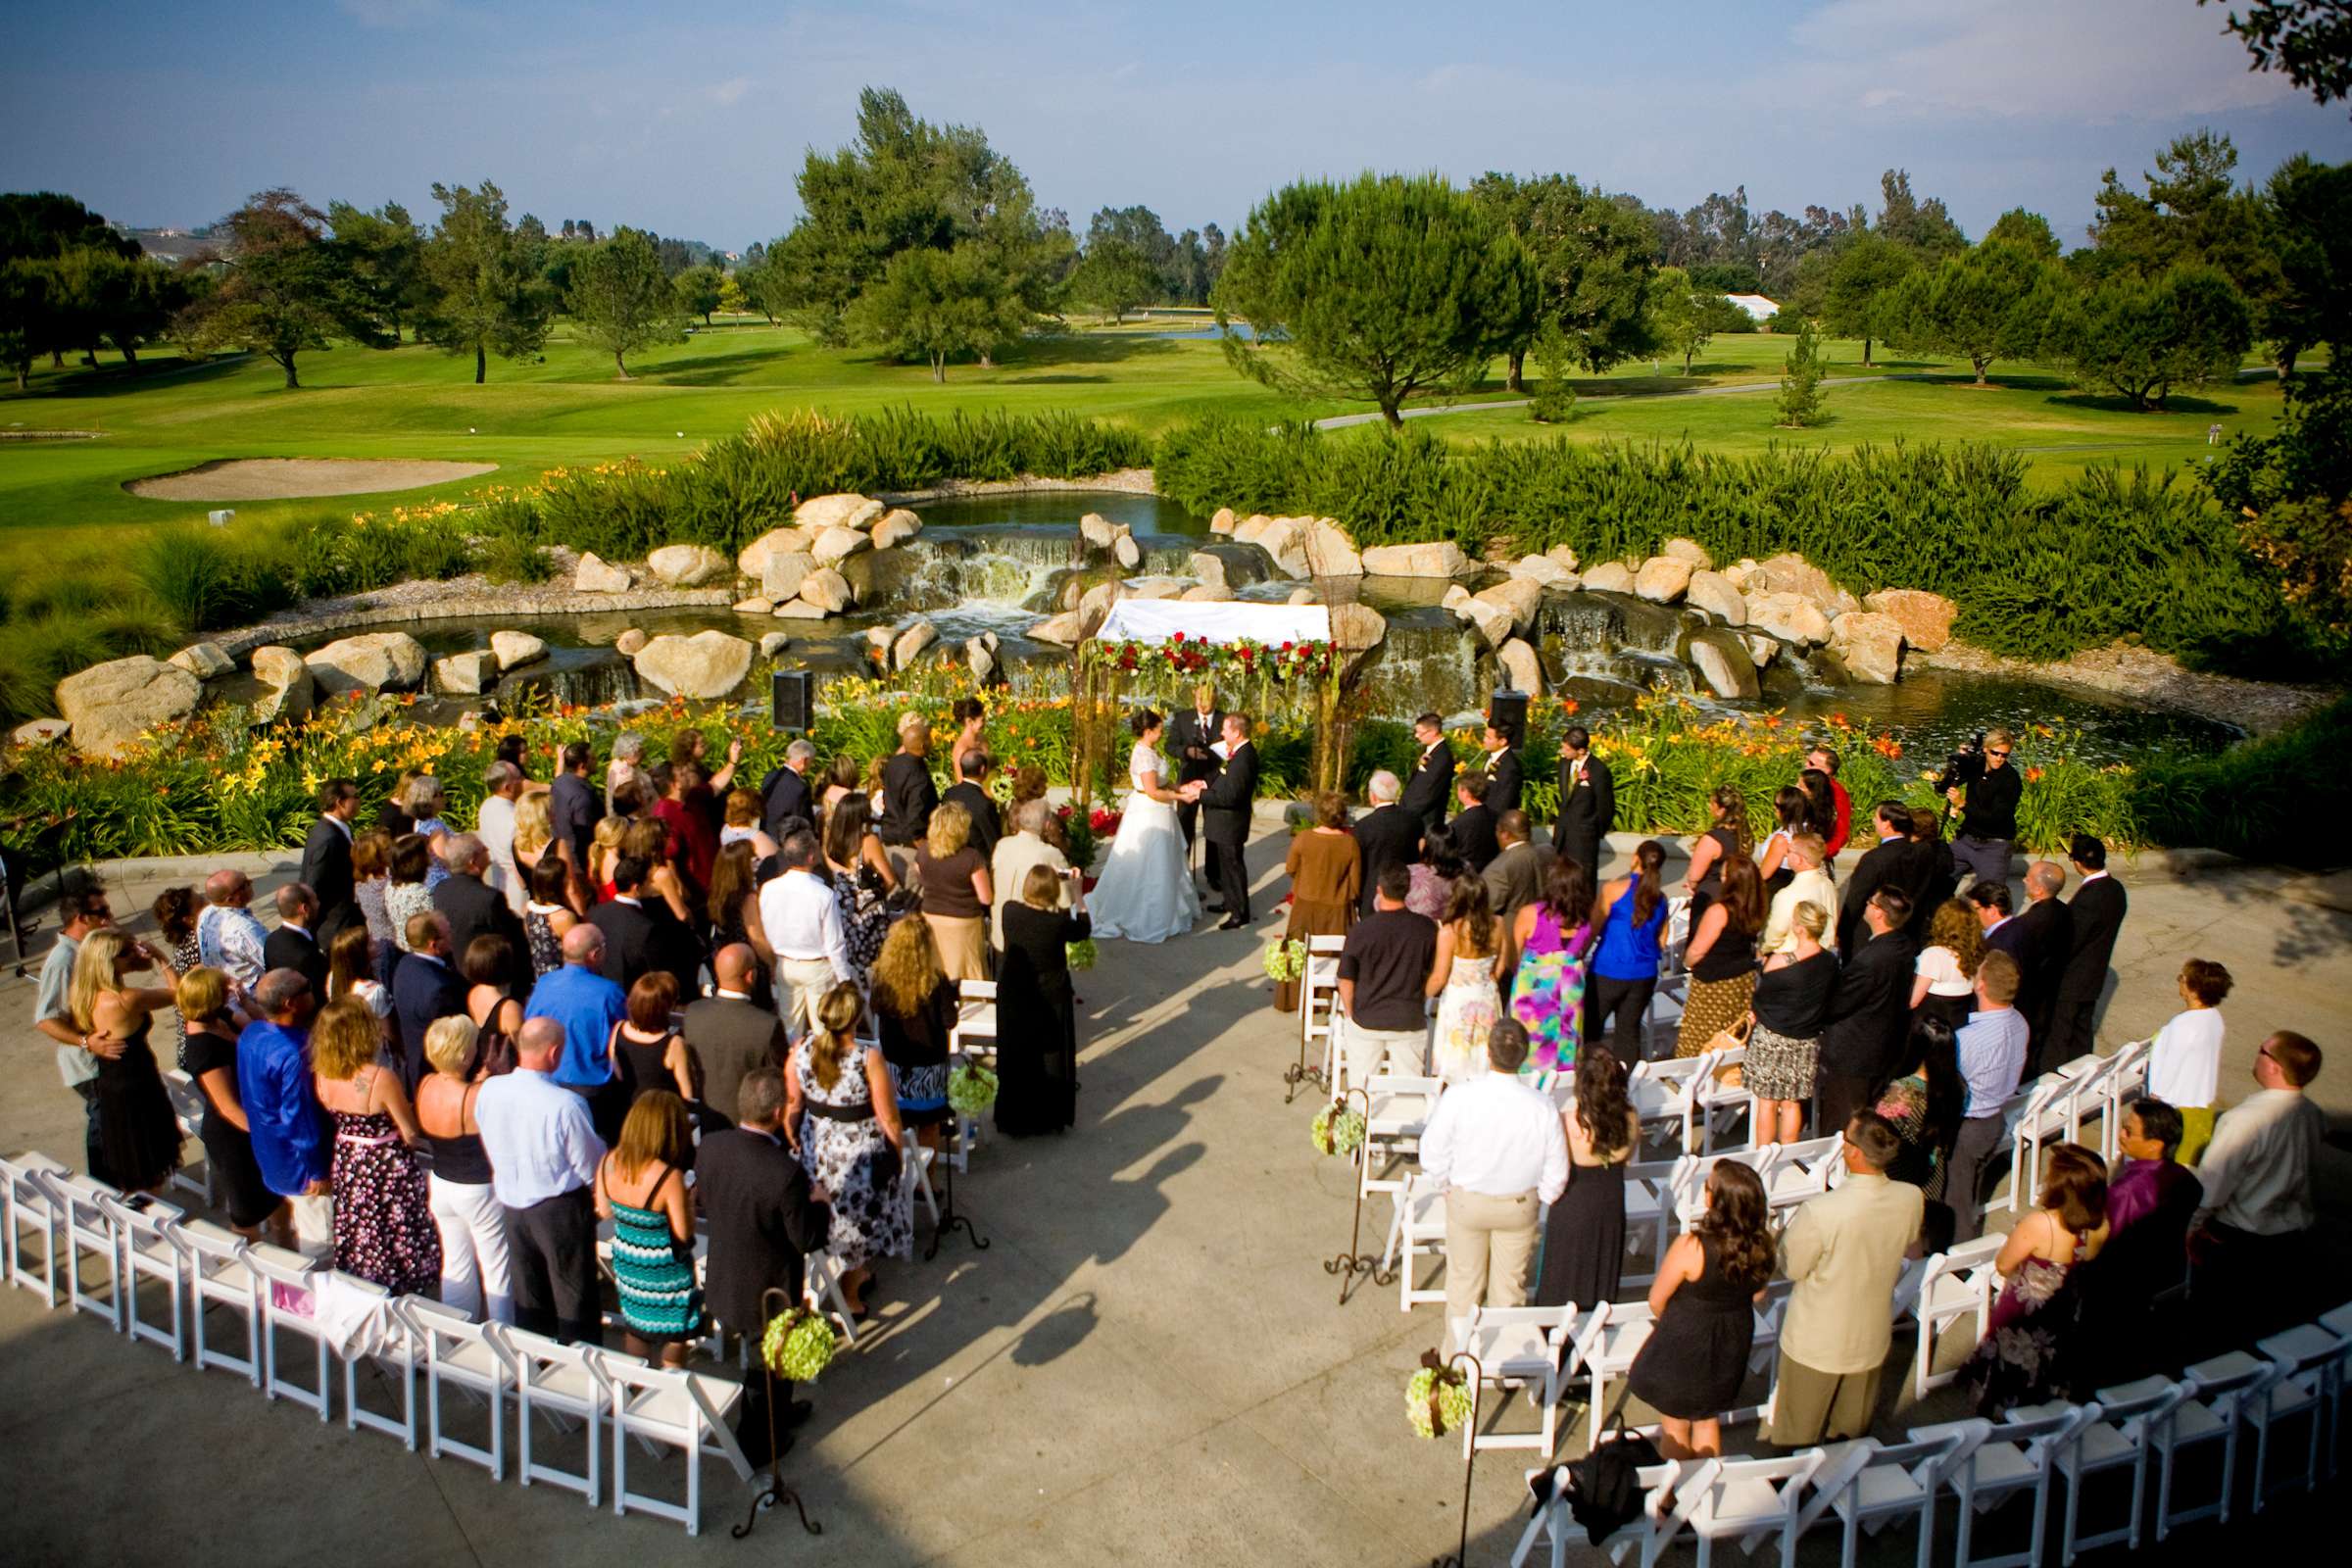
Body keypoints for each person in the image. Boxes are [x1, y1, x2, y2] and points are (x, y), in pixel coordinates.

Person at [695, 1066, 832, 1458]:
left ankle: (781, 1413)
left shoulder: (711, 1147)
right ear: (777, 1114)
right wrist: (819, 1205)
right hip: (766, 1291)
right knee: (766, 1368)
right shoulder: (783, 1173)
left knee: (769, 1366)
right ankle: (761, 1443)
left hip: (724, 1278)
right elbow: (806, 1238)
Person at [1767, 1111, 1924, 1446]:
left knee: (1796, 1441)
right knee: (1849, 1444)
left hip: (1816, 1341)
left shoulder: (1822, 1210)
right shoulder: (1911, 1198)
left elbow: (1792, 1268)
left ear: (1854, 1152)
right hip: (1870, 1337)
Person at [1419, 1018, 1568, 1335]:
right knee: (1510, 1292)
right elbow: (1557, 1170)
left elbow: (1432, 1150)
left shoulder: (1460, 1097)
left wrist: (1444, 1184)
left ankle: (1456, 1364)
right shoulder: (1542, 1106)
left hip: (1468, 1201)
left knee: (1463, 1287)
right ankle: (1505, 1368)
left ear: (1488, 1053)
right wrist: (1539, 1198)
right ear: (1524, 1056)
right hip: (1518, 1204)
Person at [1626, 1161, 1777, 1459]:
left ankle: (1672, 1494)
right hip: (1731, 1338)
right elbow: (1758, 1294)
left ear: (1715, 1200)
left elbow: (1657, 1299)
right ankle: (1705, 1488)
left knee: (1675, 1425)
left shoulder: (1692, 1246)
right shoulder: (1763, 1246)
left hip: (1687, 1338)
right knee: (1708, 1420)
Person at [476, 1016, 606, 1345]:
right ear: (554, 1053)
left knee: (529, 1295)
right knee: (573, 1295)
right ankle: (581, 1373)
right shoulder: (566, 1104)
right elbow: (589, 1164)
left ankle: (535, 1368)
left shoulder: (490, 1090)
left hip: (513, 1205)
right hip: (559, 1209)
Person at [785, 985, 910, 1315]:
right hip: (857, 1155)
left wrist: (793, 1137)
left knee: (830, 1215)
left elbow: (793, 1103)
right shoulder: (867, 1059)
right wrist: (898, 1157)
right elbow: (889, 1118)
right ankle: (851, 1297)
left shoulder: (800, 1048)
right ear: (855, 1019)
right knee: (857, 1222)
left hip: (815, 1148)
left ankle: (851, 1277)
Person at [2189, 1031, 2325, 1330]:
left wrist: (2193, 1227)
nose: (2257, 1054)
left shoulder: (2244, 1120)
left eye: (2262, 1050)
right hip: (2290, 1235)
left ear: (2275, 1066)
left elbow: (2212, 1185)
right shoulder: (2311, 1114)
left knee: (2222, 1323)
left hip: (2240, 1239)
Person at [1963, 1143, 2107, 1415]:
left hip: (2025, 1314)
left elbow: (2004, 1264)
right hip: (2062, 1311)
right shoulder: (2098, 1224)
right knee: (2045, 1369)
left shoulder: (2041, 1223)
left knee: (2010, 1372)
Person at [312, 994, 440, 1297]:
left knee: (362, 1226)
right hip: (385, 1161)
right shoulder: (380, 1078)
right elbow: (409, 1131)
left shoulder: (322, 1075)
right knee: (396, 1227)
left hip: (349, 1158)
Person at [2080, 1098, 2201, 1383]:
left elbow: (2104, 1240)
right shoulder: (2182, 1175)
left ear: (2154, 1144)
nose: (2121, 1135)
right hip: (2168, 1269)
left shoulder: (2129, 1191)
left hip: (2124, 1284)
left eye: (2128, 1131)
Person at [68, 929, 183, 1194]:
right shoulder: (127, 999)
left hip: (110, 1084)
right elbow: (179, 994)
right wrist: (159, 956)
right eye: (125, 953)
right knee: (149, 1161)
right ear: (108, 961)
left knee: (127, 1158)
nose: (132, 956)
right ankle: (152, 1216)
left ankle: (133, 1216)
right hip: (138, 1085)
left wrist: (87, 1041)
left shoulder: (83, 995)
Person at [415, 1013, 513, 1323]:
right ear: (466, 1053)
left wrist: (484, 1078)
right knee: (497, 1269)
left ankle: (457, 1334)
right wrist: (497, 1077)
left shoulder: (426, 1085)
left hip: (442, 1182)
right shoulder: (477, 1095)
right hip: (479, 1188)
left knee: (456, 1265)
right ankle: (504, 1347)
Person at [596, 1090, 706, 1366]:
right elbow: (683, 1235)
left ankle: (637, 1384)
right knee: (675, 1334)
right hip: (666, 1273)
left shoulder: (608, 1161)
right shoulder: (668, 1177)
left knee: (637, 1327)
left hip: (630, 1265)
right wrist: (689, 1203)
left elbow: (605, 1210)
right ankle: (670, 1383)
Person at [1090, 709, 1205, 944]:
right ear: (1147, 731)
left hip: (1160, 811)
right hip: (1150, 812)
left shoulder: (1150, 749)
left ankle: (1169, 908)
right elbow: (1152, 791)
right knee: (1153, 862)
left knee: (1166, 860)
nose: (1162, 733)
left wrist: (1179, 787)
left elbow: (1162, 780)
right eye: (1159, 730)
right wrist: (1181, 798)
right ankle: (1150, 914)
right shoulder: (1143, 755)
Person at [1536, 1047, 1639, 1309]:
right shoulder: (1630, 1118)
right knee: (1601, 1267)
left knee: (1564, 1272)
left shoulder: (1567, 1122)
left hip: (1574, 1204)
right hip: (1611, 1202)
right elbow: (1628, 1157)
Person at [237, 969, 331, 1254]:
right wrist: (317, 1169)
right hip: (300, 1164)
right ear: (291, 1003)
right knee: (321, 1242)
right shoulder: (296, 1052)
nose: (312, 989)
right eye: (307, 986)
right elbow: (299, 1117)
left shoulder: (252, 1033)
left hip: (270, 1154)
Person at [176, 967, 275, 1237]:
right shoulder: (204, 1049)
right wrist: (269, 1137)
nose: (228, 989)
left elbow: (262, 1026)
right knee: (247, 1213)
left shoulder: (220, 1017)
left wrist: (243, 1000)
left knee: (277, 1200)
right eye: (224, 988)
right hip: (233, 1135)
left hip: (253, 1116)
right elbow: (228, 1107)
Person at [1942, 950, 2031, 1244]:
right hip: (1995, 1118)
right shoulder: (2019, 1022)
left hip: (1970, 1125)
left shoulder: (1968, 1040)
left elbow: (1949, 1084)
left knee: (1957, 1199)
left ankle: (1959, 1260)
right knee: (1973, 1187)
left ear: (1981, 985)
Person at [1815, 888, 1918, 1138]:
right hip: (1883, 1045)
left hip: (1854, 1051)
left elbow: (1838, 1002)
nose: (1866, 904)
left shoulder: (1870, 961)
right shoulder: (1904, 946)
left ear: (1880, 913)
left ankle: (1834, 1171)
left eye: (1871, 902)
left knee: (1843, 1120)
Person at [999, 864, 1092, 1137]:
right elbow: (1083, 928)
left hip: (1015, 994)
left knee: (1018, 1054)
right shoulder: (1058, 924)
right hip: (1049, 993)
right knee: (1050, 1054)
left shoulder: (1009, 911)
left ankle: (1015, 1116)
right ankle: (1049, 1114)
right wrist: (1077, 893)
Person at [32, 886, 116, 1182]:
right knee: (103, 1129)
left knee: (112, 1128)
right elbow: (46, 1019)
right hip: (88, 1063)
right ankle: (105, 1196)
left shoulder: (87, 951)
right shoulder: (63, 960)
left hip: (105, 1055)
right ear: (81, 918)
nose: (109, 918)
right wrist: (86, 1041)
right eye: (102, 913)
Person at [523, 924, 629, 1139]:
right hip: (592, 1091)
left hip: (548, 1080)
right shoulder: (609, 992)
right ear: (595, 954)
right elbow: (625, 1035)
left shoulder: (544, 983)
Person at [1338, 863, 1439, 1086]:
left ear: (1379, 890)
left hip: (1367, 1018)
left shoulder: (1361, 930)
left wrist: (1350, 1013)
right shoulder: (1426, 928)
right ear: (1408, 890)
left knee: (1360, 1088)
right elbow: (1436, 973)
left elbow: (1346, 978)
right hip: (1409, 1018)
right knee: (1410, 1088)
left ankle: (1359, 1119)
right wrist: (1421, 999)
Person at [1749, 901, 1838, 1144]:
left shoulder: (1780, 962)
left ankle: (1763, 1157)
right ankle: (1788, 1156)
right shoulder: (1830, 962)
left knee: (1767, 1103)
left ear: (1799, 928)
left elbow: (1761, 995)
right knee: (1792, 1102)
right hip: (1806, 1039)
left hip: (1772, 1037)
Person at [871, 917, 957, 1148]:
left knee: (897, 1122)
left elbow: (874, 1009)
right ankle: (926, 1182)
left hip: (894, 1064)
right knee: (929, 1127)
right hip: (929, 1066)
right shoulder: (937, 981)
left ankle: (903, 1175)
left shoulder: (882, 979)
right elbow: (950, 1021)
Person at [1585, 840, 1669, 1068]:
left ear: (1635, 859)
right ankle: (1626, 1084)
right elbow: (1662, 940)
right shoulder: (1661, 899)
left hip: (1608, 969)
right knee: (1628, 1032)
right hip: (1644, 974)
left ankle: (1590, 1078)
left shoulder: (1612, 890)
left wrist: (1579, 954)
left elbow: (1593, 927)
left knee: (1592, 1029)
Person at [1508, 855, 1595, 1074]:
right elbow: (1581, 950)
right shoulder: (1585, 918)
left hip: (1535, 990)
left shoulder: (1531, 914)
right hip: (1570, 988)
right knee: (1568, 1039)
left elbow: (1513, 957)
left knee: (1531, 1043)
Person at [760, 829, 853, 1033]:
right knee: (824, 1029)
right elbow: (834, 943)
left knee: (789, 1028)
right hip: (816, 967)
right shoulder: (824, 895)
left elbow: (767, 928)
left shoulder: (769, 888)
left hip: (784, 963)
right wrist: (844, 978)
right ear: (811, 856)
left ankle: (792, 1062)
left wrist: (771, 963)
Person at [683, 943, 786, 1123]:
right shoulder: (767, 1025)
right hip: (752, 1123)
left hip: (708, 1120)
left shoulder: (693, 1013)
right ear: (751, 975)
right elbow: (777, 1077)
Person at [1277, 792, 1361, 1011]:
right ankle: (1329, 998)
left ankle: (1294, 999)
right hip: (1337, 909)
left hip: (1306, 904)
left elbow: (1290, 868)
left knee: (1298, 952)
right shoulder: (1350, 843)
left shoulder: (1304, 838)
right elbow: (1355, 883)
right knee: (1333, 954)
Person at [2048, 835, 2127, 1062]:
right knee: (2082, 1033)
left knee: (2060, 1035)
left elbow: (2070, 941)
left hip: (2072, 980)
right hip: (2095, 975)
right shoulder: (2116, 889)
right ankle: (2083, 1071)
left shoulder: (2088, 899)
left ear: (2078, 863)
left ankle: (2056, 1080)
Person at [1676, 854, 1762, 1059]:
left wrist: (1687, 963)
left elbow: (1698, 950)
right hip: (1742, 978)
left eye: (1723, 876)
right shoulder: (1754, 906)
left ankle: (1695, 1075)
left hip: (1714, 983)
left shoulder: (1720, 910)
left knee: (1702, 1036)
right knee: (1731, 1031)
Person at [2147, 958, 2231, 1163]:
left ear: (2194, 990)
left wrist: (2154, 1098)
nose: (2179, 982)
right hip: (2201, 1103)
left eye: (2182, 978)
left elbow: (2172, 1065)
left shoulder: (2184, 1024)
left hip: (2176, 1105)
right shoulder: (2214, 1017)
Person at [1877, 1016, 1965, 1207]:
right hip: (1935, 1176)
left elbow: (1878, 1137)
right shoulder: (1958, 1086)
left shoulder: (1902, 1092)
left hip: (1900, 1178)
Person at [1427, 875, 1505, 1086]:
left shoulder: (1450, 931)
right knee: (1484, 1053)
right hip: (1487, 995)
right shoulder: (1498, 924)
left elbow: (1439, 976)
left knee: (1456, 1056)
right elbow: (1500, 965)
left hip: (1458, 999)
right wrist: (1485, 983)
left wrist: (1421, 995)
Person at [433, 832, 529, 997]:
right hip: (490, 973)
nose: (487, 850)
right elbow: (512, 937)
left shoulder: (441, 889)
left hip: (459, 971)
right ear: (473, 862)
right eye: (483, 849)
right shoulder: (489, 898)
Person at [915, 801, 994, 982]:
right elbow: (986, 898)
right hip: (964, 924)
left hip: (931, 919)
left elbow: (920, 876)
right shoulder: (971, 858)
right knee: (969, 976)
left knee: (937, 973)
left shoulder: (924, 852)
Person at [1836, 804, 1928, 957]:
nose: (1873, 821)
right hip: (1907, 929)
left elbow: (1855, 899)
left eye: (1876, 818)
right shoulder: (1922, 853)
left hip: (1869, 934)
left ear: (1887, 824)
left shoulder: (1874, 858)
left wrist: (1841, 933)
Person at [1199, 711, 1261, 929]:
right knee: (1225, 867)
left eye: (1225, 729)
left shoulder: (1244, 758)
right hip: (1223, 824)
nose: (1222, 733)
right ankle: (1230, 901)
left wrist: (1200, 795)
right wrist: (1207, 785)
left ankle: (1240, 912)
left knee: (1233, 866)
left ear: (1236, 731)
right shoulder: (1237, 753)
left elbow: (1231, 796)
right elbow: (1225, 781)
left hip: (1231, 824)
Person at [392, 910, 467, 1089]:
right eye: (448, 933)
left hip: (413, 1064)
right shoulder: (439, 990)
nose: (452, 936)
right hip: (434, 1075)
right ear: (434, 945)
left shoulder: (405, 964)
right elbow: (452, 1038)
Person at [2011, 861, 2075, 1070]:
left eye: (2027, 878)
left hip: (2030, 993)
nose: (2023, 880)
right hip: (2050, 987)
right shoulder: (2064, 911)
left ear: (2039, 889)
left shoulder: (2030, 923)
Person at [1946, 728, 2022, 892]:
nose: (1999, 758)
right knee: (1940, 880)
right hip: (1966, 838)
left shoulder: (2010, 780)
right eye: (1995, 753)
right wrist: (1959, 762)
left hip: (1994, 845)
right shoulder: (1976, 765)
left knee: (1991, 897)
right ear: (1986, 749)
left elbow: (1994, 818)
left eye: (2004, 755)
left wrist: (1962, 805)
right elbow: (1944, 787)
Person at [991, 798, 1072, 948]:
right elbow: (1065, 899)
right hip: (1036, 939)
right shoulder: (1052, 854)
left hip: (1001, 934)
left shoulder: (1002, 846)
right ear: (1047, 825)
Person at [612, 970, 695, 1105]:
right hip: (661, 1114)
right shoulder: (674, 1044)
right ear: (664, 1008)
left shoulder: (618, 1029)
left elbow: (618, 1073)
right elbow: (687, 1094)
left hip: (628, 1112)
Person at [710, 838, 775, 999]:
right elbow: (757, 938)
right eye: (752, 858)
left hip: (727, 963)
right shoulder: (748, 899)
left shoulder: (717, 896)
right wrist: (774, 964)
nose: (757, 861)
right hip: (749, 964)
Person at [301, 776, 365, 943]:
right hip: (335, 928)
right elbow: (313, 886)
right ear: (340, 802)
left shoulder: (333, 829)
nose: (359, 801)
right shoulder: (329, 839)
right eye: (355, 796)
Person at [877, 712, 941, 877]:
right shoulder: (919, 778)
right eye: (929, 738)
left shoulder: (893, 763)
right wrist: (929, 853)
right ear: (922, 746)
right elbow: (915, 823)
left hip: (889, 840)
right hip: (909, 849)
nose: (932, 741)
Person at [1909, 897, 1985, 1034]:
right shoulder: (1975, 954)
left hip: (1929, 1032)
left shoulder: (1934, 955)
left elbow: (1913, 1001)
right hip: (1959, 1028)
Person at [1352, 769, 1422, 918]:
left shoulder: (1364, 826)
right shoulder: (1413, 820)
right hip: (1405, 889)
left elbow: (1359, 865)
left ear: (1373, 795)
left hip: (1372, 892)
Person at [1553, 725, 1615, 884]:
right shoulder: (1564, 763)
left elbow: (1605, 807)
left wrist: (1594, 831)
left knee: (1583, 879)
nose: (1563, 752)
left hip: (1584, 836)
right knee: (1560, 875)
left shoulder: (1599, 771)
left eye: (1567, 749)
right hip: (1563, 832)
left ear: (1580, 750)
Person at [151, 885, 204, 1070]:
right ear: (189, 919)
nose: (208, 904)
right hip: (199, 1037)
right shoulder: (197, 943)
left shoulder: (185, 940)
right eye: (202, 903)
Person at [1761, 833, 1839, 956]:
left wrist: (1764, 949)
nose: (1786, 854)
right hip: (1823, 953)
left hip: (1793, 958)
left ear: (1799, 859)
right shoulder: (1827, 884)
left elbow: (1775, 934)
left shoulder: (1787, 895)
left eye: (1789, 851)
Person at [1169, 681, 1225, 856]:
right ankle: (1181, 868)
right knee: (1184, 823)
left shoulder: (1225, 719)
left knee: (1215, 827)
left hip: (1214, 779)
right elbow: (1170, 746)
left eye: (1206, 699)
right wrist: (1186, 751)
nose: (1201, 703)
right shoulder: (1182, 718)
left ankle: (1213, 873)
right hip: (1188, 779)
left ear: (1215, 697)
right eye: (1198, 698)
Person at [1681, 785, 1748, 925]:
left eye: (1712, 803)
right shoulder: (1743, 835)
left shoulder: (1712, 839)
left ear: (1721, 810)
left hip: (1710, 895)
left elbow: (1694, 875)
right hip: (1735, 893)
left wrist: (1692, 886)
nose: (1709, 806)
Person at [197, 868, 269, 990]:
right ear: (231, 899)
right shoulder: (245, 929)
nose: (251, 882)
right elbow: (271, 960)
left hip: (223, 990)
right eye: (245, 884)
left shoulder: (207, 913)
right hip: (250, 999)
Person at [1481, 809, 1553, 925]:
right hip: (1547, 929)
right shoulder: (1549, 853)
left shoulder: (1498, 868)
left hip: (1513, 935)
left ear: (1505, 834)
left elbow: (1485, 910)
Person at [474, 761, 528, 913]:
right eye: (518, 778)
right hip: (516, 882)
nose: (523, 782)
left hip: (497, 877)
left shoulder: (486, 806)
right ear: (508, 787)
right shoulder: (515, 817)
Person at [548, 740, 599, 900]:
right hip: (579, 864)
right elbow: (584, 835)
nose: (596, 761)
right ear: (582, 765)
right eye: (593, 758)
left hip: (561, 853)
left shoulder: (560, 782)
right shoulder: (582, 797)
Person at [942, 750, 1002, 864]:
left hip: (951, 856)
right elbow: (993, 842)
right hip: (978, 864)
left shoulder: (949, 793)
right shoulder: (984, 804)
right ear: (983, 769)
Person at [1400, 711, 1455, 837]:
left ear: (1433, 732)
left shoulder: (1443, 758)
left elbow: (1429, 792)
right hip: (1413, 813)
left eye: (1420, 733)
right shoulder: (1429, 749)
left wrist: (1407, 815)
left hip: (1426, 820)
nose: (1416, 736)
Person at [522, 857, 576, 980]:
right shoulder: (564, 917)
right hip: (562, 982)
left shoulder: (528, 910)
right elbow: (575, 954)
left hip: (540, 980)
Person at [760, 737, 819, 846]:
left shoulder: (770, 776)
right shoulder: (800, 788)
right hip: (784, 842)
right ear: (804, 761)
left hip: (765, 837)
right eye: (811, 762)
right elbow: (803, 821)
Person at [327, 923, 391, 1023]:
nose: (376, 942)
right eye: (370, 944)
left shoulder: (333, 978)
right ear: (360, 955)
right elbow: (388, 1031)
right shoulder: (375, 992)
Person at [385, 834, 436, 954]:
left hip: (402, 949)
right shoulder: (421, 893)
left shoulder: (391, 887)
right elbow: (433, 926)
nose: (431, 854)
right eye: (427, 851)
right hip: (421, 951)